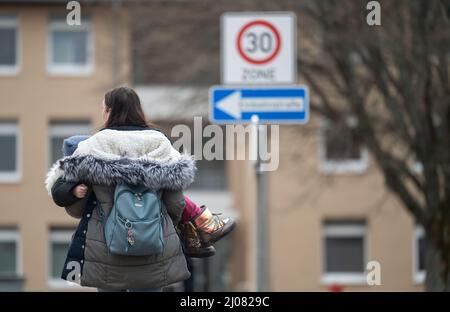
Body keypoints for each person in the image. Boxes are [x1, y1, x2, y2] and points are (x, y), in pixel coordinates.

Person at [45, 86, 234, 291]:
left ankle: (203, 224)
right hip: (152, 252)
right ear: (138, 110)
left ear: (109, 111)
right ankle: (202, 224)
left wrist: (75, 192)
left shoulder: (93, 146)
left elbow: (69, 202)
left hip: (107, 253)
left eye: (103, 109)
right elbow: (176, 203)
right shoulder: (159, 144)